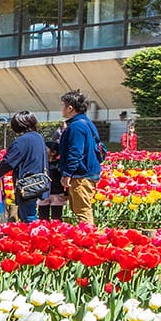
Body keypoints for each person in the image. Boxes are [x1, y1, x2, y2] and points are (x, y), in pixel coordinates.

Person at [57, 90, 105, 226]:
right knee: (81, 207)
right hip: (90, 170)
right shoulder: (87, 123)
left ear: (70, 108)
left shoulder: (76, 126)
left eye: (63, 105)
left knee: (82, 209)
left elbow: (75, 152)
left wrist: (67, 173)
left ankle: (88, 239)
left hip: (81, 173)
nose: (61, 109)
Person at [0, 111, 49, 223]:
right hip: (39, 181)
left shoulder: (22, 141)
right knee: (28, 213)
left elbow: (8, 162)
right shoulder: (38, 137)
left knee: (28, 216)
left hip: (27, 184)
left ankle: (33, 238)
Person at [41, 122, 67, 221]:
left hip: (57, 192)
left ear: (53, 152)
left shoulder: (59, 164)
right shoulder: (42, 164)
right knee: (43, 216)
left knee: (56, 216)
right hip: (43, 192)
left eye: (45, 149)